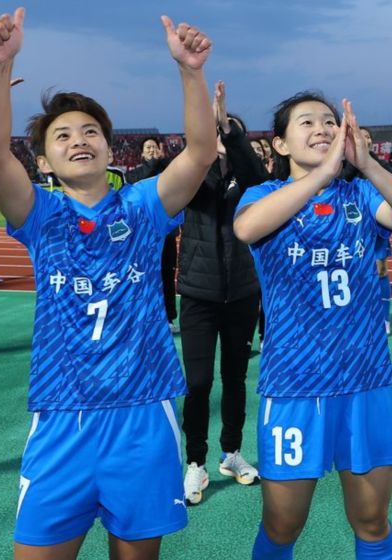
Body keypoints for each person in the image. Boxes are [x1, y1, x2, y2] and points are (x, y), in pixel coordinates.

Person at [0, 9, 215, 559]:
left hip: (143, 413)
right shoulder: (40, 214)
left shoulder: (144, 206)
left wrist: (191, 72)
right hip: (62, 415)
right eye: (62, 135)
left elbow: (201, 152)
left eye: (91, 132)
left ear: (109, 149)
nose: (79, 140)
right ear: (43, 161)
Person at [234, 92, 392, 560]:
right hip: (294, 386)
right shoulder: (262, 196)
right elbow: (246, 229)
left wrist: (368, 166)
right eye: (306, 122)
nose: (322, 129)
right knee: (282, 524)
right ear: (281, 144)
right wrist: (322, 175)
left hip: (365, 382)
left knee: (372, 520)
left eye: (329, 121)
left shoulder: (360, 194)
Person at [179, 80, 269, 504]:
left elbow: (257, 176)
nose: (219, 136)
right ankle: (195, 462)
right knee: (197, 383)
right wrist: (203, 142)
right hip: (199, 293)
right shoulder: (192, 175)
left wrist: (229, 131)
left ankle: (231, 452)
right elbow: (177, 183)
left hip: (242, 292)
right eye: (214, 130)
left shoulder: (249, 180)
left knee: (235, 377)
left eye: (227, 132)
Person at [343, 128, 392, 335]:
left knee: (381, 269)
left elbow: (391, 189)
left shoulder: (381, 165)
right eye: (360, 136)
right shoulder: (345, 165)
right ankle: (358, 316)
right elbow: (342, 183)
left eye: (368, 137)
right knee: (353, 270)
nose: (365, 140)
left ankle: (385, 318)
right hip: (351, 224)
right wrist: (354, 162)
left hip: (377, 223)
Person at [126, 136, 179, 333]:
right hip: (141, 235)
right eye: (147, 147)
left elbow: (177, 182)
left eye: (154, 147)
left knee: (166, 274)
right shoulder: (133, 174)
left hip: (166, 232)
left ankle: (169, 317)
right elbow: (142, 182)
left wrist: (161, 162)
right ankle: (143, 316)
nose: (151, 150)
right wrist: (153, 164)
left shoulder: (168, 171)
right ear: (141, 153)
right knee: (142, 275)